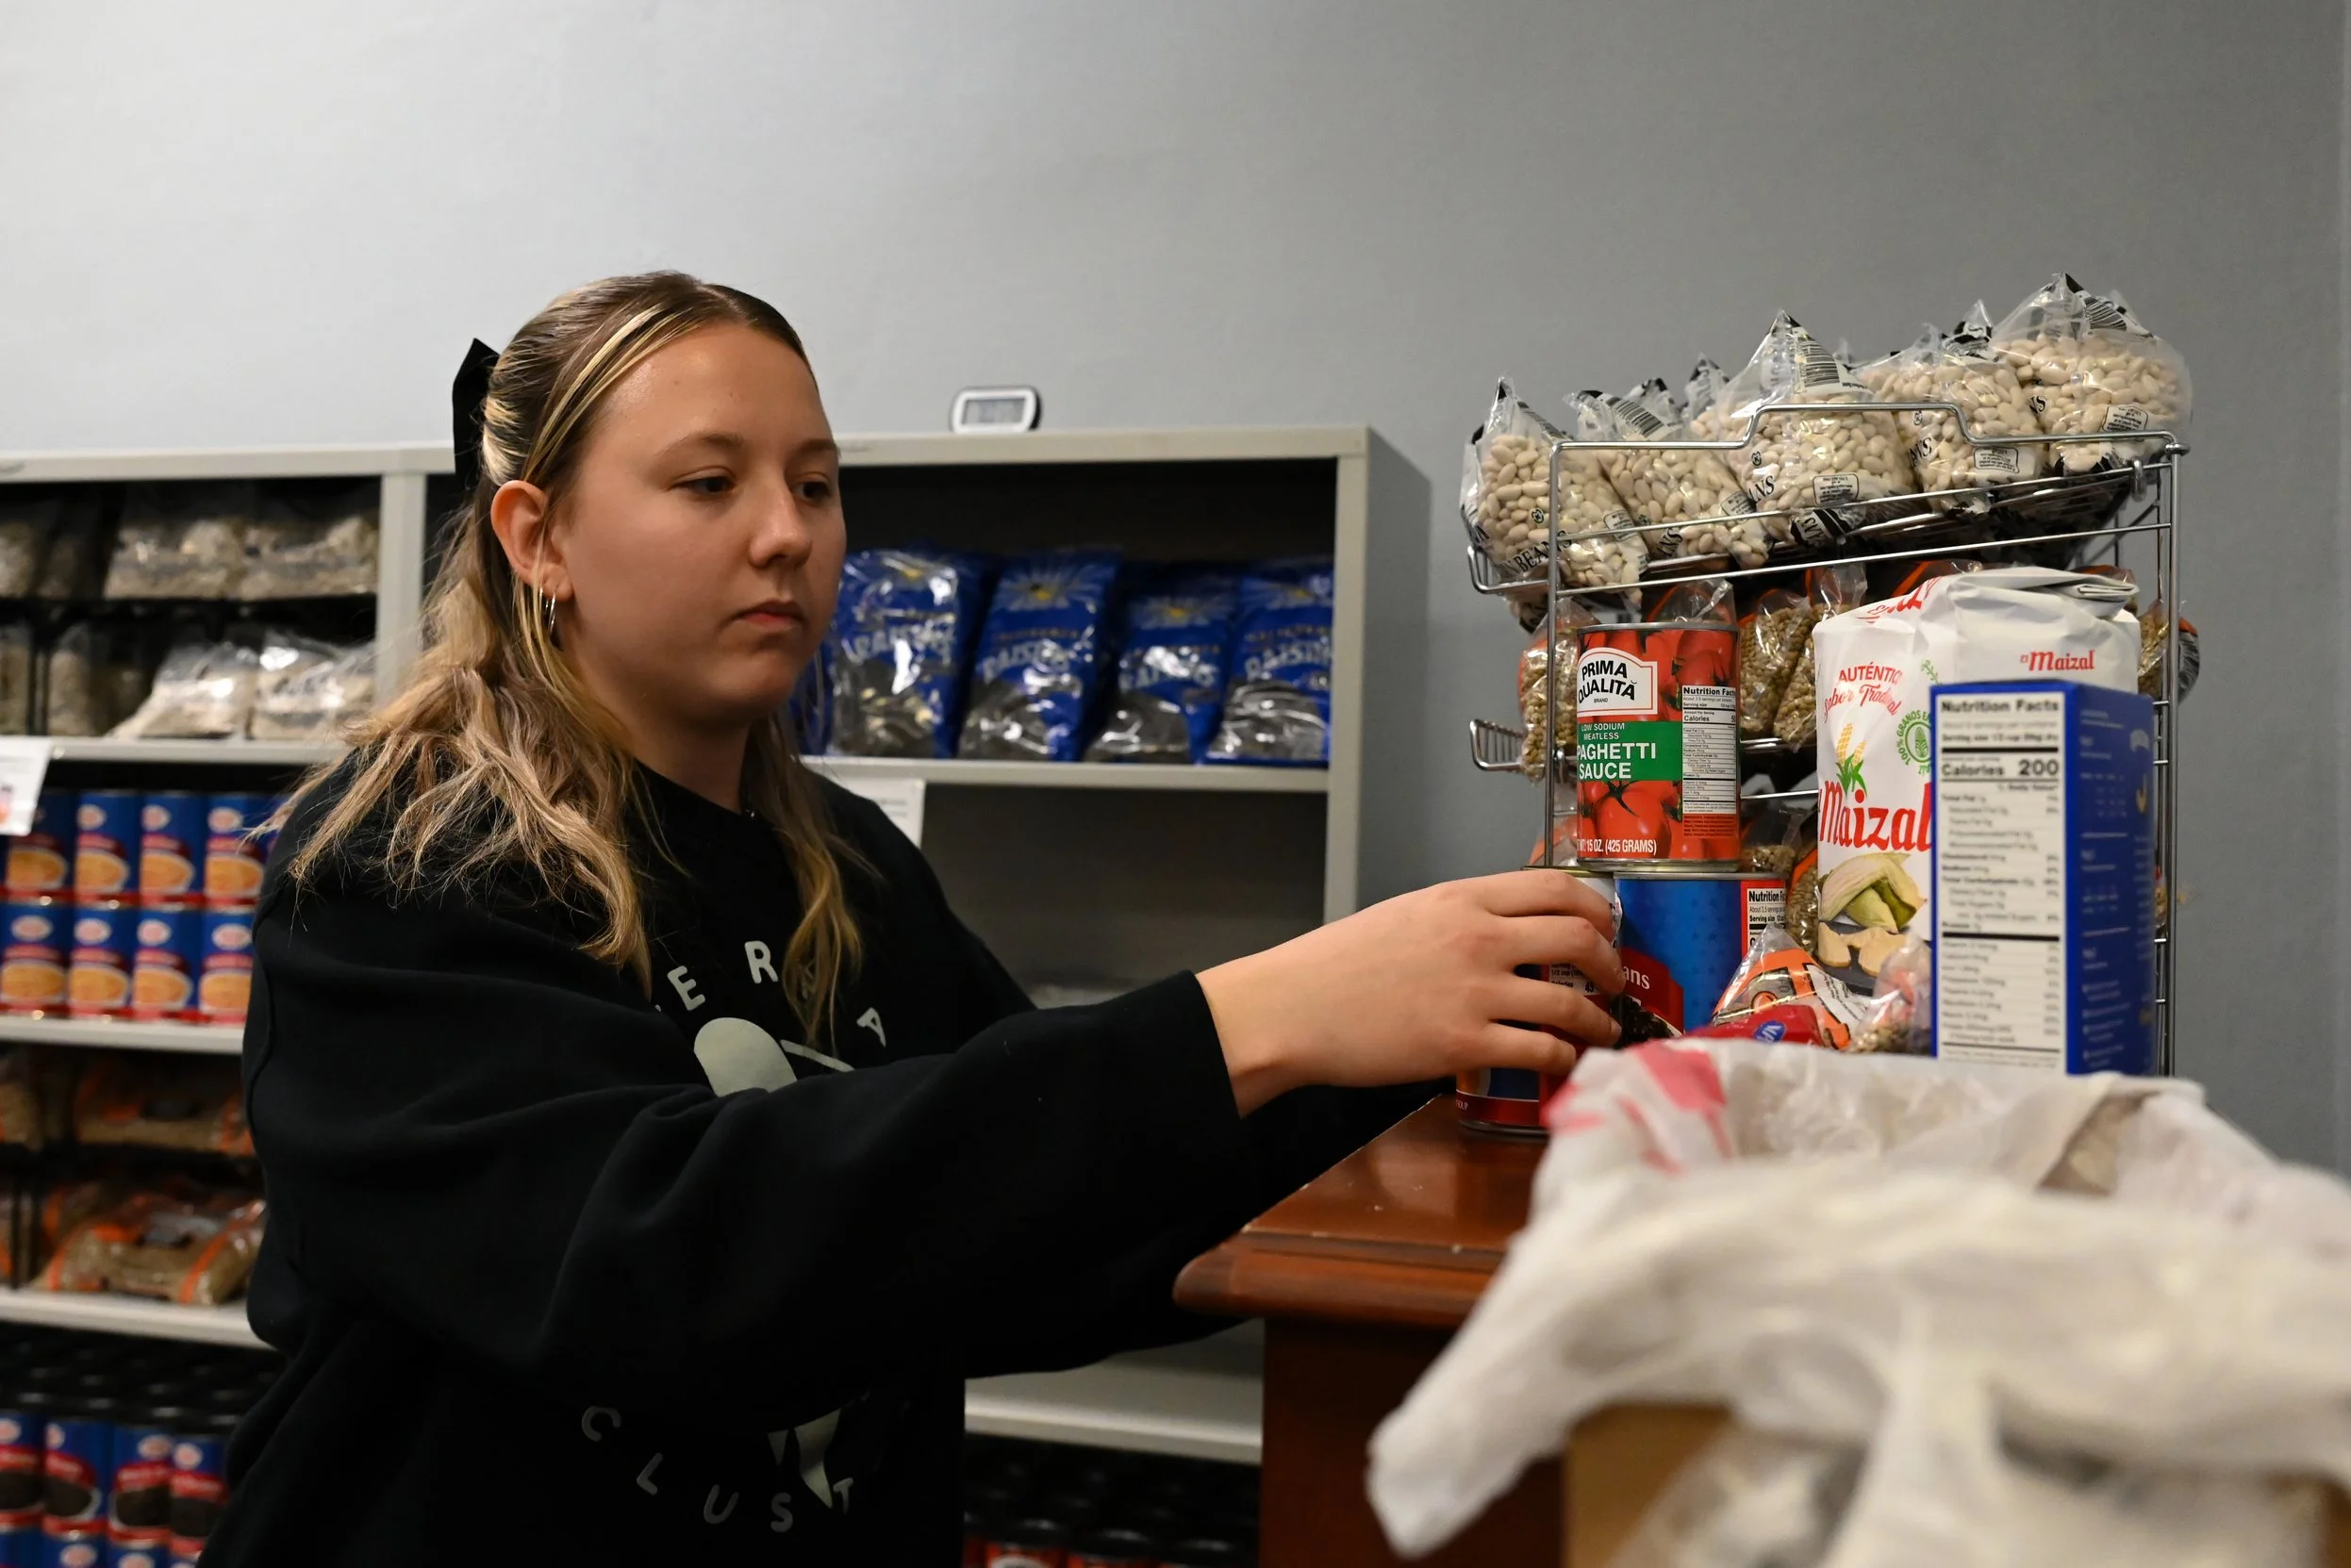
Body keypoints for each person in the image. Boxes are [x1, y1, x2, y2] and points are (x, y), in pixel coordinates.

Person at [207, 271, 1620, 1564]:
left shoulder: (848, 863)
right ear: (540, 536)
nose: (787, 534)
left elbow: (1033, 1223)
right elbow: (658, 1262)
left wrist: (1430, 1047)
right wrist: (1256, 1015)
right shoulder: (398, 863)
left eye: (816, 485)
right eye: (709, 483)